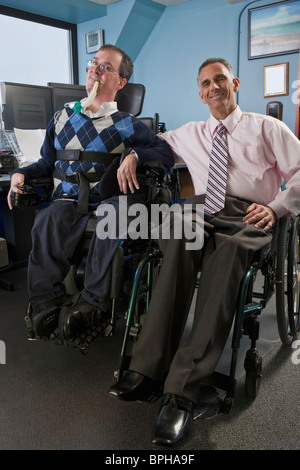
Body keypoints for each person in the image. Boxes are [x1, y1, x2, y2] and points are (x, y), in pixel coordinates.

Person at [108, 58, 300, 446]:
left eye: (220, 80)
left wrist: (277, 207)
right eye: (205, 83)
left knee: (227, 255)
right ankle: (145, 369)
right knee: (176, 236)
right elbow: (154, 144)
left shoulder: (268, 127)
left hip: (250, 213)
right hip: (201, 209)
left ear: (235, 83)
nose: (213, 87)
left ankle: (182, 392)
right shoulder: (191, 132)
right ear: (199, 93)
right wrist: (132, 155)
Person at [7, 44, 174, 341]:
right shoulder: (61, 118)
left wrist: (134, 155)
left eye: (106, 67)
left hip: (111, 199)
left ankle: (93, 303)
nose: (95, 69)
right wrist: (22, 173)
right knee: (48, 219)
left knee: (112, 216)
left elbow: (164, 153)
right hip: (70, 200)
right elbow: (47, 162)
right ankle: (46, 300)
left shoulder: (128, 123)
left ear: (120, 83)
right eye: (94, 63)